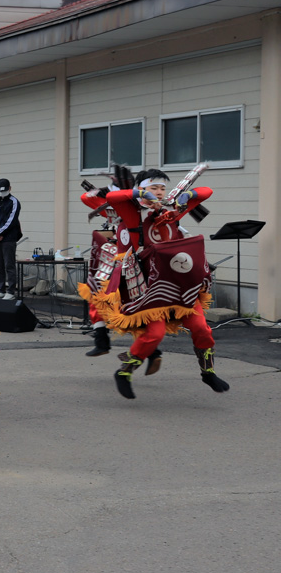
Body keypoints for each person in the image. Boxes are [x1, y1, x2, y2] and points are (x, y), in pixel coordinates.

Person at [90, 167, 224, 400]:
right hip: (148, 285)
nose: (160, 192)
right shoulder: (132, 213)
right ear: (141, 188)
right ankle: (124, 372)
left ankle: (208, 371)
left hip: (178, 282)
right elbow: (112, 197)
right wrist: (143, 197)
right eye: (154, 188)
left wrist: (187, 196)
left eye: (162, 188)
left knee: (201, 327)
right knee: (155, 334)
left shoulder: (172, 210)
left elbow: (206, 191)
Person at [0, 178, 21, 300]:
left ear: (10, 188)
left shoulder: (14, 202)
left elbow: (11, 220)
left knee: (9, 265)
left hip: (9, 239)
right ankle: (0, 289)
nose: (3, 193)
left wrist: (0, 232)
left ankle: (11, 291)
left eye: (5, 191)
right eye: (1, 191)